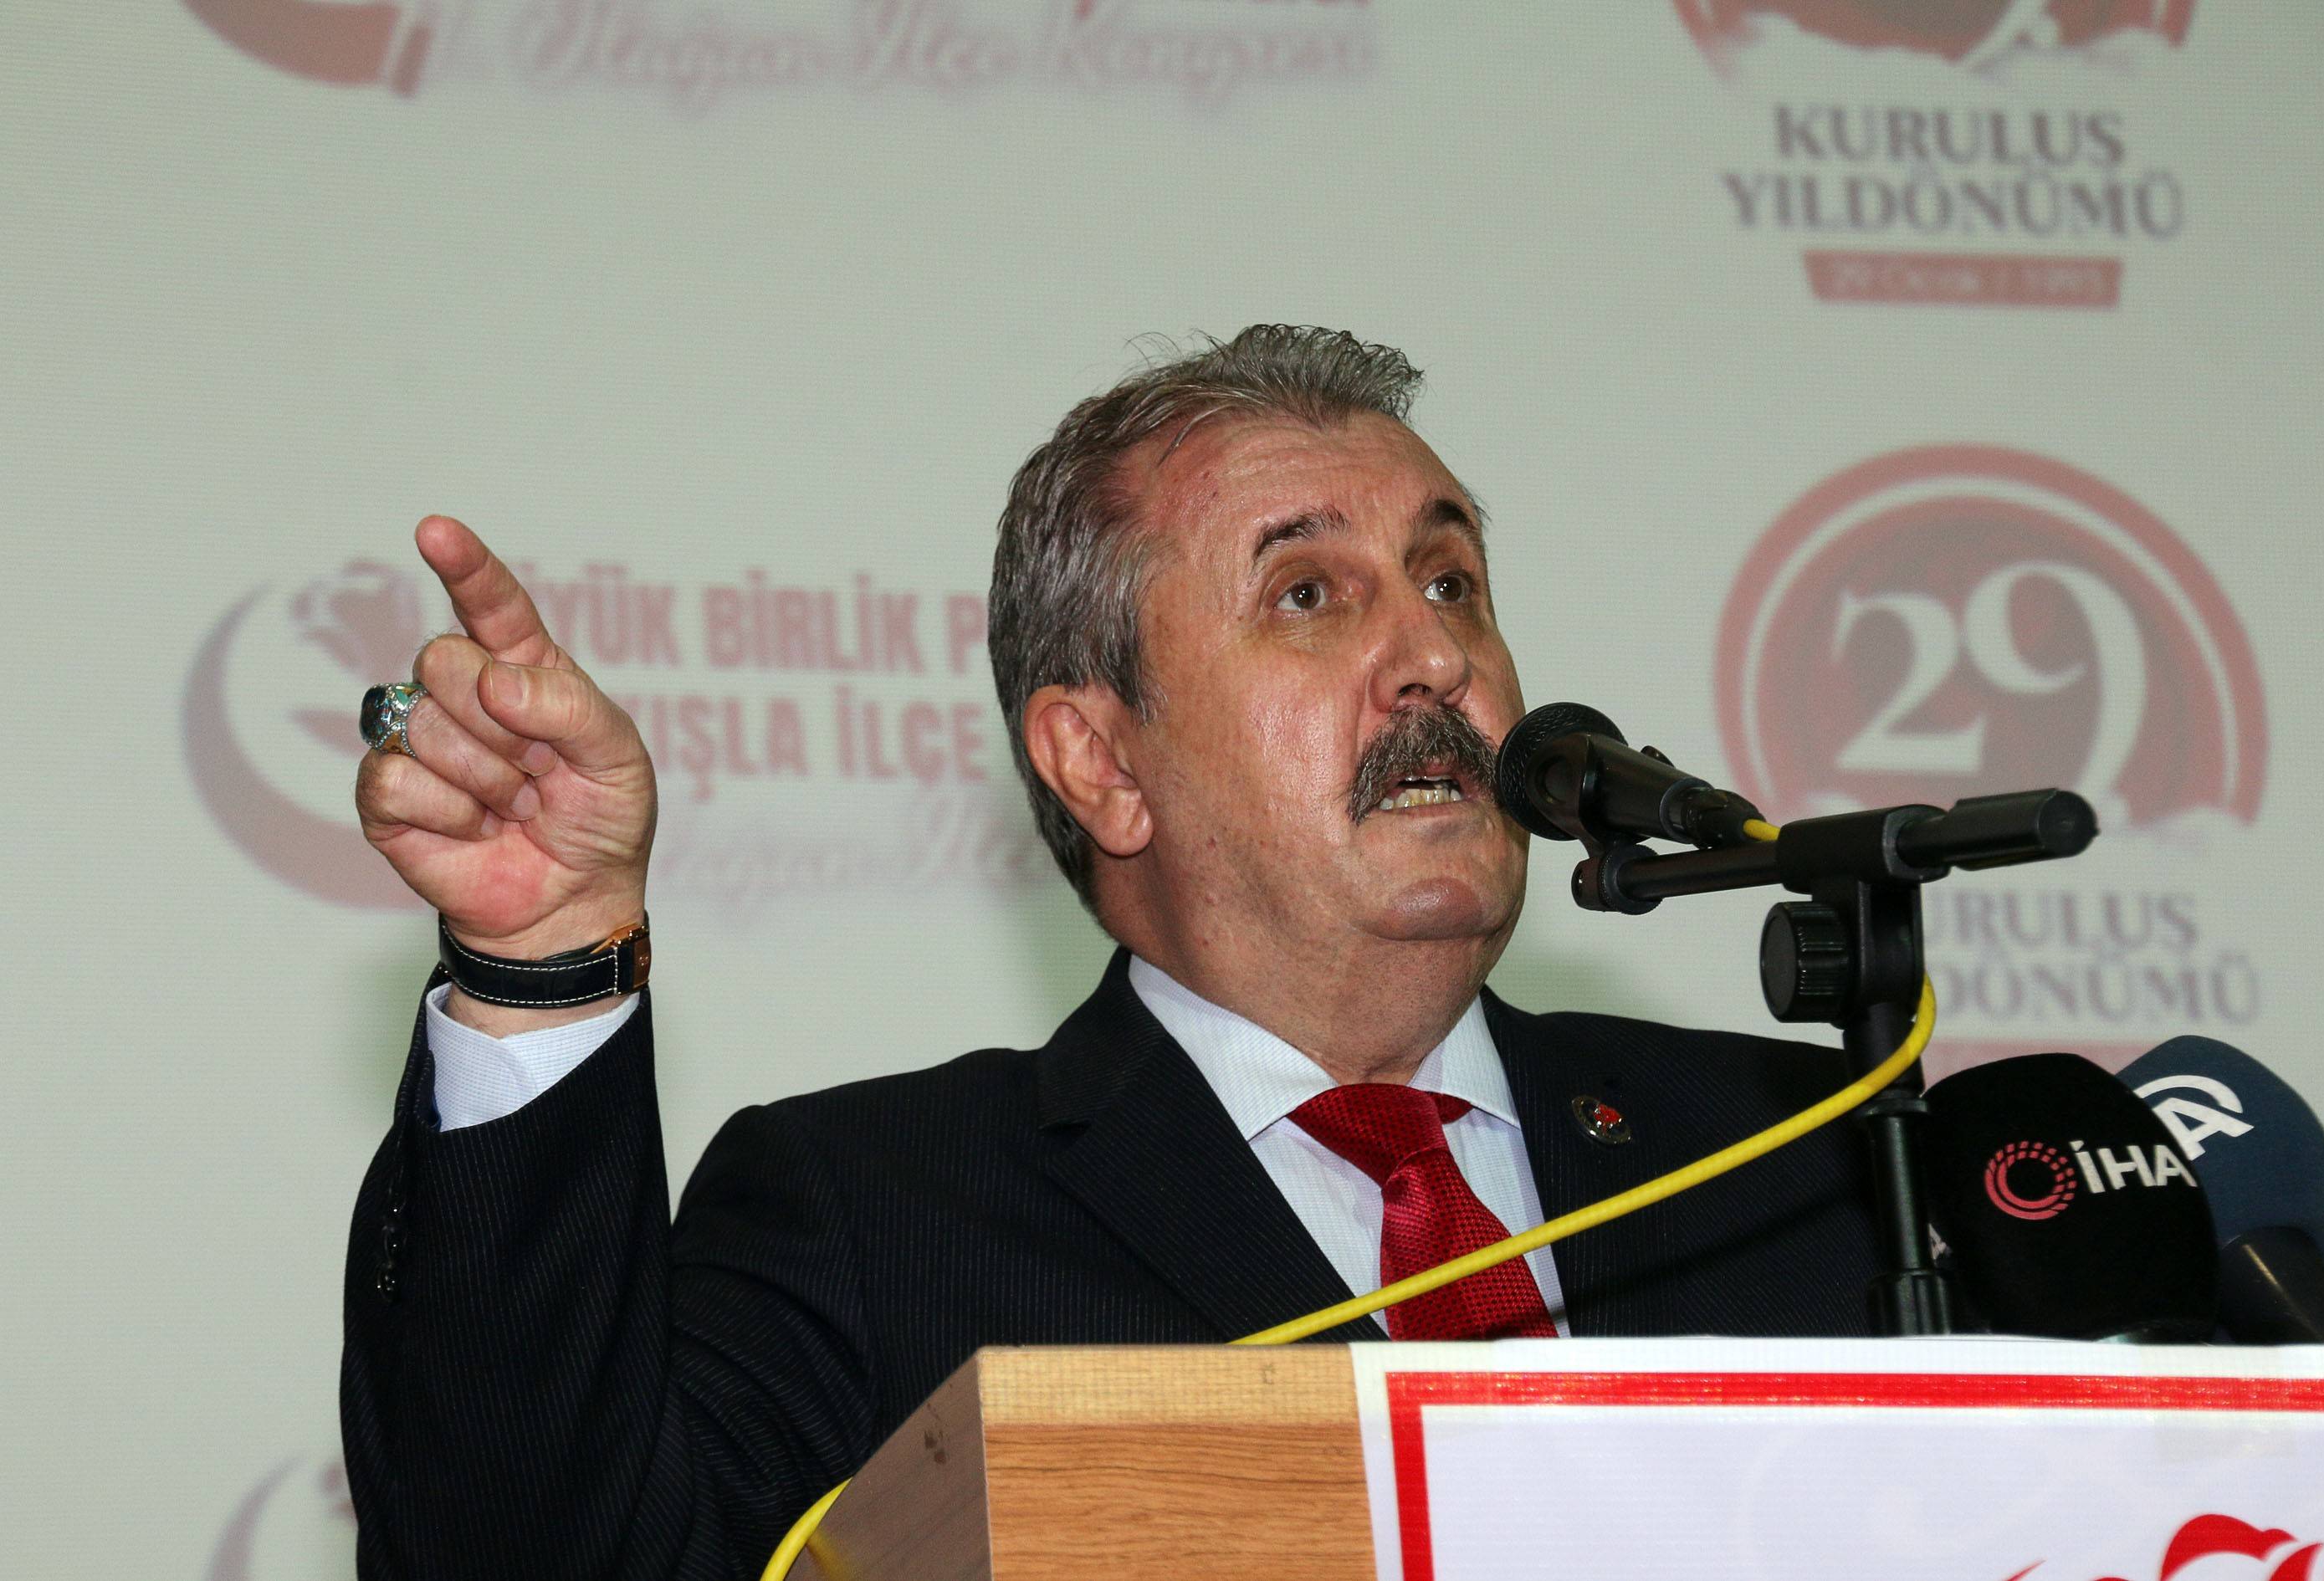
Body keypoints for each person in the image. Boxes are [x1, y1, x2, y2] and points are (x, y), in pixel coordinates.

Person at [342, 326, 1880, 1581]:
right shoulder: (875, 1216)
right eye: (1308, 594)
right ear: (1101, 762)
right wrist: (542, 964)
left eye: (1451, 581)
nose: (1435, 655)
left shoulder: (1804, 1155)